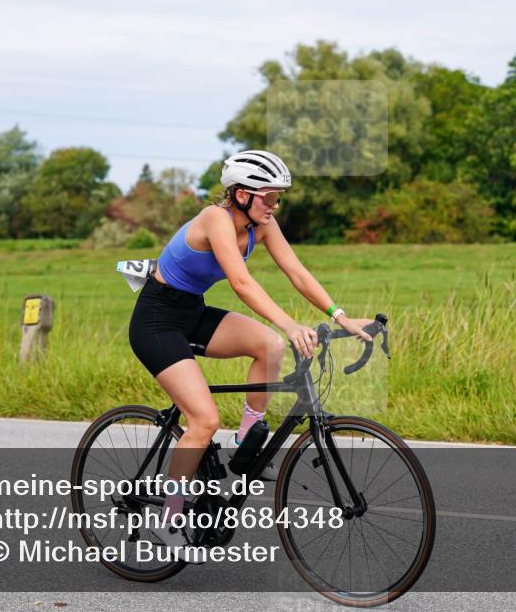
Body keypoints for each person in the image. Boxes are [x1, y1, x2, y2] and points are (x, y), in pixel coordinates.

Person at [128, 150, 373, 557]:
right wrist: (291, 324)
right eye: (269, 197)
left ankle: (246, 439)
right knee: (204, 420)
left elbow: (297, 272)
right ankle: (169, 517)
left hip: (192, 312)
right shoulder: (215, 219)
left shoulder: (263, 224)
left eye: (278, 197)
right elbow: (241, 283)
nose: (275, 206)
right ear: (241, 195)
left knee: (269, 345)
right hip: (156, 321)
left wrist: (341, 317)